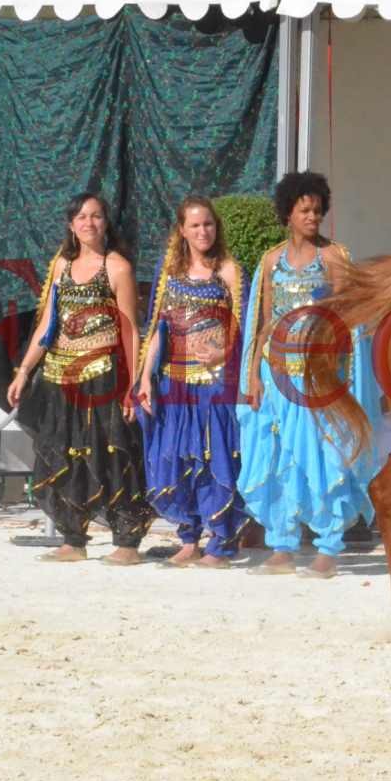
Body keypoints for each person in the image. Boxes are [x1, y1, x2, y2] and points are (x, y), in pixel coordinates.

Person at [236, 172, 380, 579]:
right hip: (276, 376)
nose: (313, 217)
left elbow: (348, 316)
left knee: (323, 458)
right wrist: (253, 378)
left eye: (317, 210)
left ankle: (329, 546)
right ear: (288, 213)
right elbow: (262, 321)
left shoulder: (334, 257)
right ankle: (281, 544)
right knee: (277, 456)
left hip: (318, 379)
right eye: (304, 210)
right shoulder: (270, 260)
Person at [8, 193, 153, 564]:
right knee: (64, 455)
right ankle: (74, 538)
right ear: (72, 225)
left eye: (97, 216)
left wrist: (134, 384)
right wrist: (24, 370)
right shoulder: (62, 266)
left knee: (112, 453)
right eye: (82, 217)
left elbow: (130, 329)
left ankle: (126, 542)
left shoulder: (117, 266)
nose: (89, 223)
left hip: (103, 377)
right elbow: (47, 323)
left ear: (106, 223)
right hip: (61, 377)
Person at [137, 196, 249, 569]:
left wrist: (222, 354)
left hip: (216, 384)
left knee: (214, 457)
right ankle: (189, 538)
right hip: (175, 382)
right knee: (179, 459)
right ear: (181, 230)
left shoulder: (229, 270)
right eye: (195, 225)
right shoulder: (169, 271)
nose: (203, 232)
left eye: (209, 225)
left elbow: (243, 326)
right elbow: (156, 330)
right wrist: (145, 379)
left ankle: (221, 541)